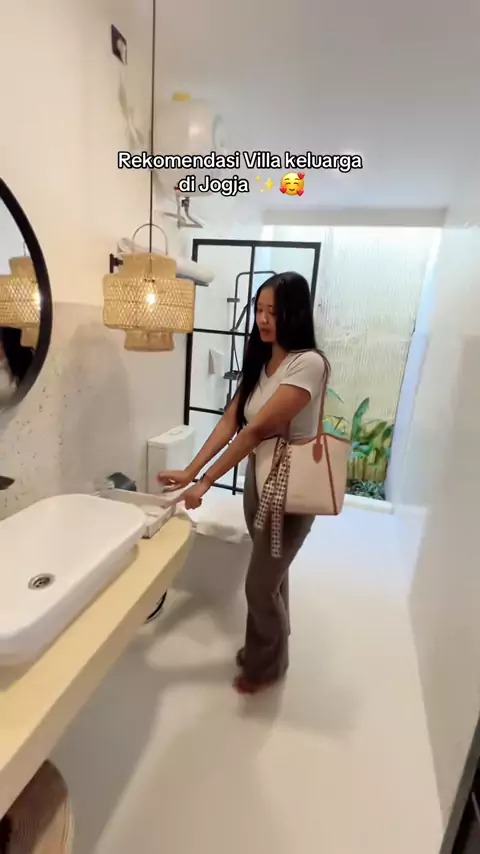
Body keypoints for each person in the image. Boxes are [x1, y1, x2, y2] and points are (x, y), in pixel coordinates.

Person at [157, 272, 329, 694]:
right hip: (259, 480)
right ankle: (266, 649)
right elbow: (232, 420)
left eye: (274, 312)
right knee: (272, 572)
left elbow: (255, 431)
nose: (263, 320)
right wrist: (190, 471)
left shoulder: (308, 364)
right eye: (259, 310)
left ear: (295, 314)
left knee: (259, 584)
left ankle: (267, 663)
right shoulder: (262, 360)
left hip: (290, 487)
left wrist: (206, 483)